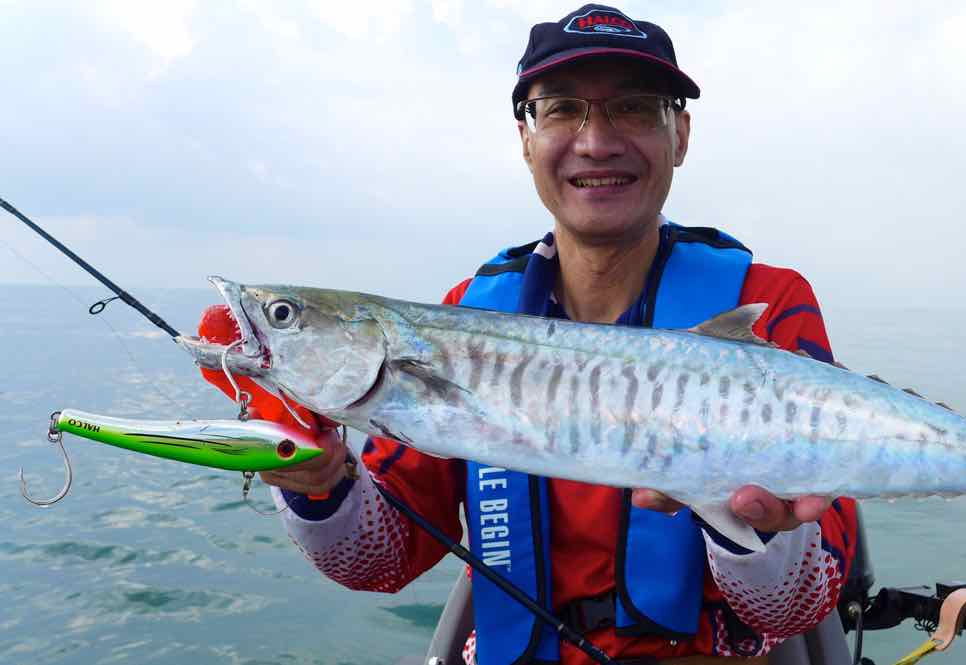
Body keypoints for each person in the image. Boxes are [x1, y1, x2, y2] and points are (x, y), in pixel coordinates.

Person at [199, 5, 861, 664]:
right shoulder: (466, 313)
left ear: (680, 135)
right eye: (563, 109)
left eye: (633, 108)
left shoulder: (765, 303)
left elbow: (803, 602)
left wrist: (764, 533)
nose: (596, 140)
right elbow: (380, 556)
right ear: (525, 137)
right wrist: (319, 486)